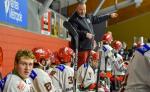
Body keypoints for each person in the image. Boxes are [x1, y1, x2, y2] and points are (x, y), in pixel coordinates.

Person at [68, 1, 118, 68]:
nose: (83, 11)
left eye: (84, 9)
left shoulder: (87, 16)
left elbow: (97, 19)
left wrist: (109, 16)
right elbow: (72, 32)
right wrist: (85, 34)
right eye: (81, 10)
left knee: (86, 68)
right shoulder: (73, 19)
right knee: (81, 68)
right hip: (81, 49)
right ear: (76, 9)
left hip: (89, 47)